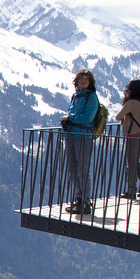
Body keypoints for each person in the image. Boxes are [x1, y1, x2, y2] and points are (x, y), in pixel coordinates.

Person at [59, 70, 103, 215]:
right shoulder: (76, 96)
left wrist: (70, 119)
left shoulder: (91, 97)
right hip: (71, 136)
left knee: (82, 170)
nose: (83, 81)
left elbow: (88, 118)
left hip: (83, 136)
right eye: (80, 79)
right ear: (76, 81)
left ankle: (85, 201)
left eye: (86, 79)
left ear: (90, 82)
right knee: (73, 169)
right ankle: (79, 199)